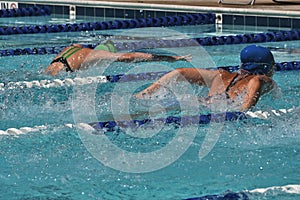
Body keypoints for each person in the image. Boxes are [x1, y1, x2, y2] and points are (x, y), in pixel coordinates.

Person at [135, 45, 277, 112]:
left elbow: (180, 72)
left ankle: (139, 98)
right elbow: (256, 82)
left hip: (199, 103)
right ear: (266, 67)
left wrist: (146, 92)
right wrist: (244, 111)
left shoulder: (220, 75)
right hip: (217, 109)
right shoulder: (263, 80)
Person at [45, 40, 191, 76]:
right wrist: (169, 58)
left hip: (49, 69)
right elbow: (130, 56)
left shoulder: (71, 48)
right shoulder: (93, 54)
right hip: (63, 73)